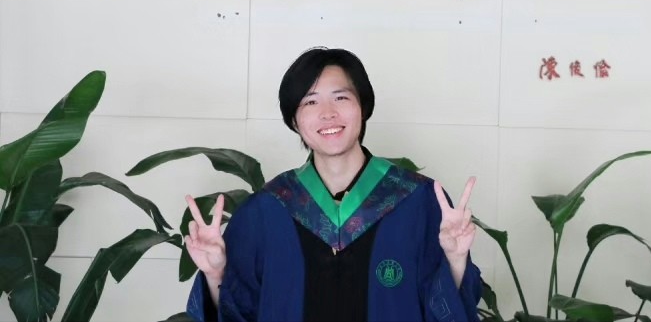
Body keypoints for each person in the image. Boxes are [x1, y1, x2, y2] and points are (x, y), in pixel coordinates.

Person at [184, 47, 482, 321]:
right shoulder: (266, 211)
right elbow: (238, 312)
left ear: (363, 107)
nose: (327, 113)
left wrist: (455, 261)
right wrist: (215, 274)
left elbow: (447, 310)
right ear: (294, 120)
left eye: (341, 98)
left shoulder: (417, 201)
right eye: (310, 101)